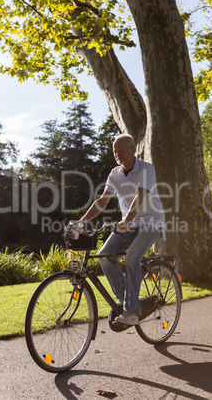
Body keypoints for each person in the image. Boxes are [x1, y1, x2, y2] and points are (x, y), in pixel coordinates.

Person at [78, 134, 165, 325]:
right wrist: (82, 221)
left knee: (133, 257)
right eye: (114, 152)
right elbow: (103, 200)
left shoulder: (146, 169)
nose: (117, 154)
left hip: (151, 222)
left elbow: (140, 196)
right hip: (130, 224)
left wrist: (126, 220)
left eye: (121, 150)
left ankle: (132, 312)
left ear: (133, 150)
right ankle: (126, 301)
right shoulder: (115, 173)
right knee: (105, 255)